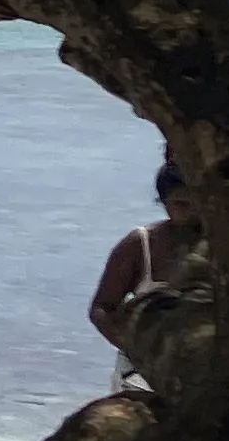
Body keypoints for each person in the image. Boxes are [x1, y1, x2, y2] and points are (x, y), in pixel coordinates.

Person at [87, 161, 206, 395]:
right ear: (163, 202)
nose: (191, 212)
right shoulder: (140, 245)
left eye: (198, 204)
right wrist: (137, 350)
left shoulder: (227, 249)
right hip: (141, 373)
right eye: (181, 204)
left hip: (206, 370)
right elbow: (101, 308)